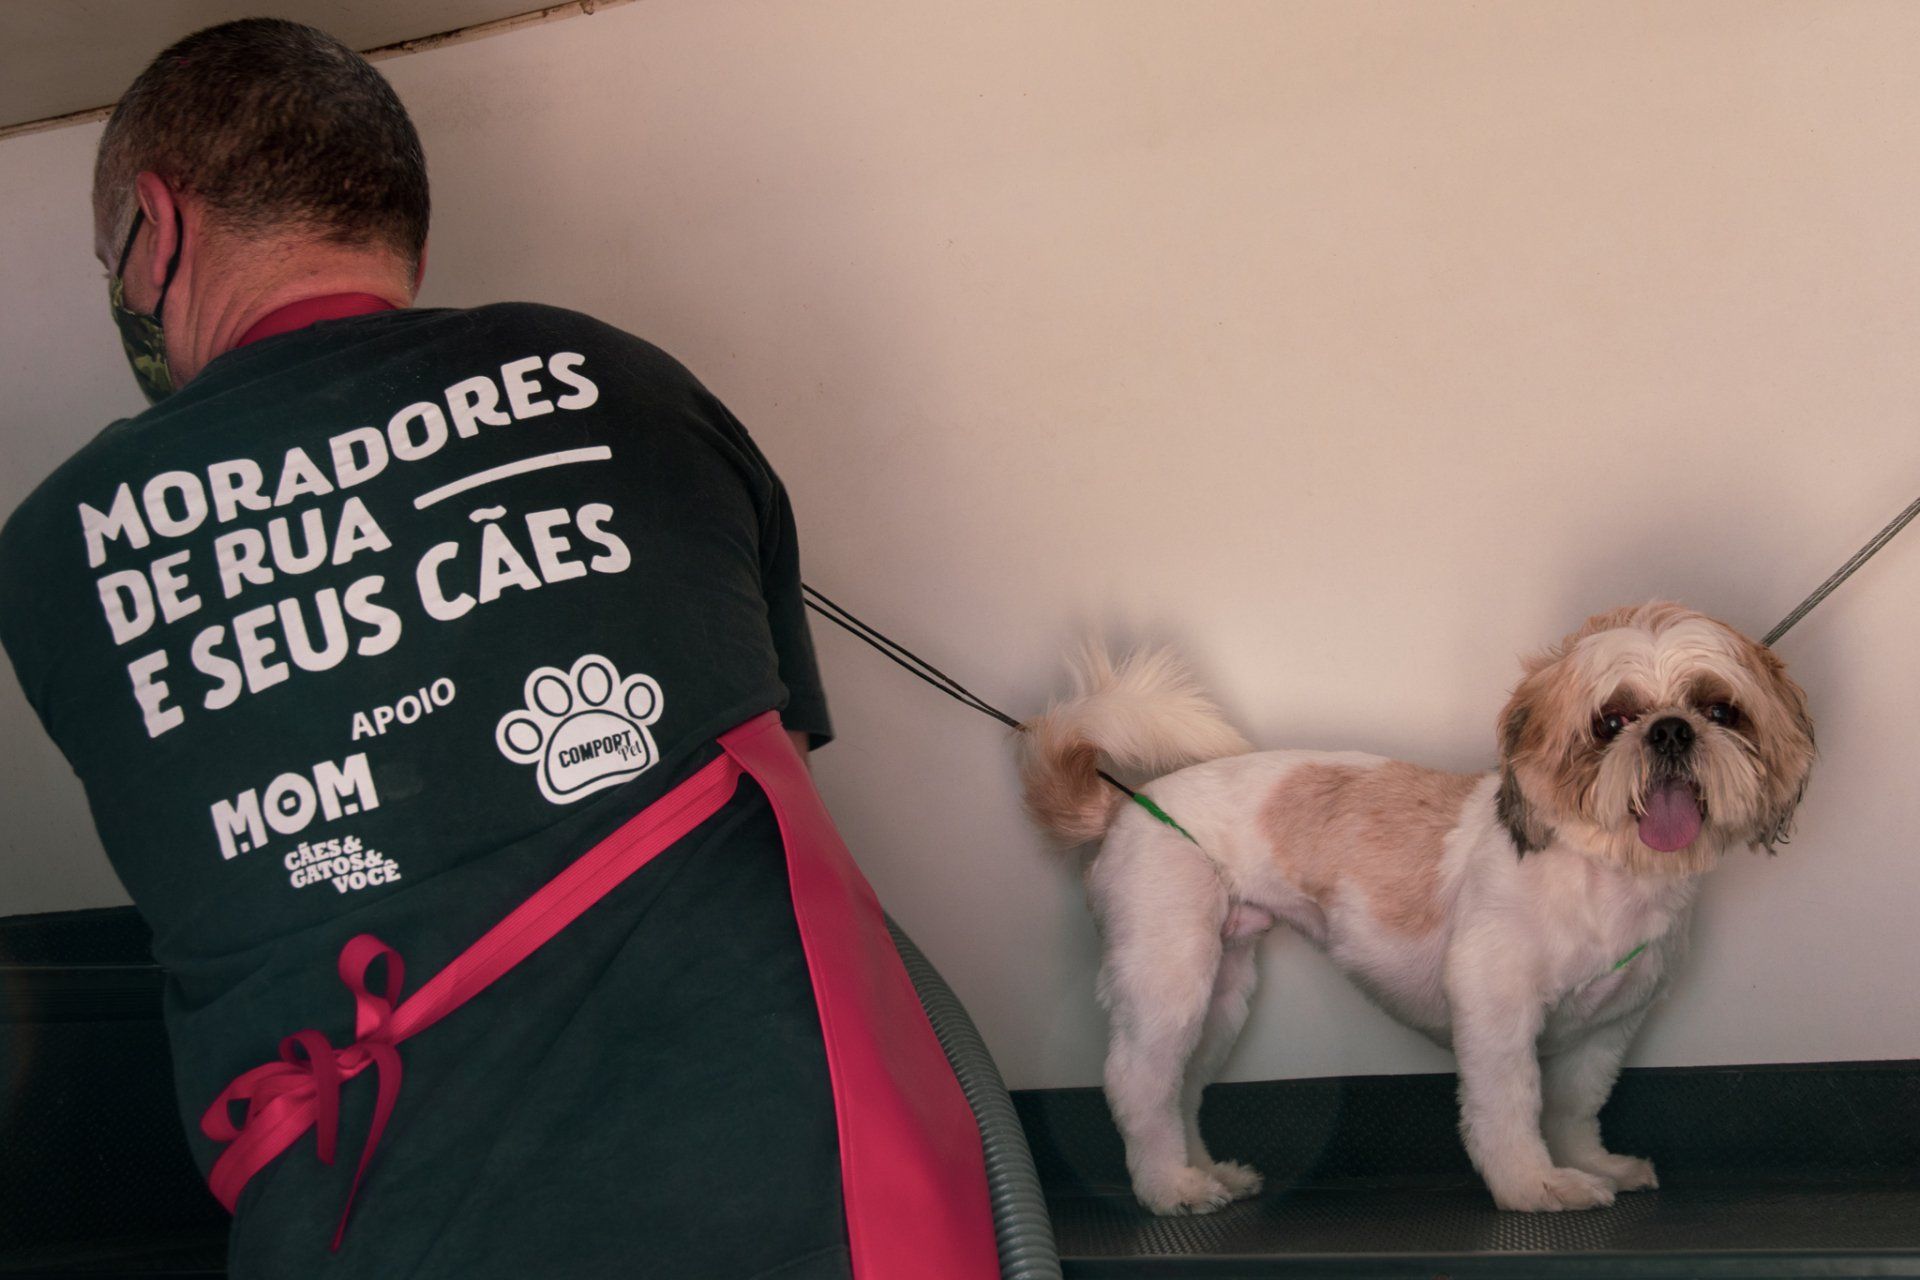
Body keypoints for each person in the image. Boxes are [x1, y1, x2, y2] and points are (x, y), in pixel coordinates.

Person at [0, 20, 997, 1279]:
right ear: (405, 237)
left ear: (159, 222)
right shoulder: (630, 389)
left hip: (375, 1232)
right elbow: (769, 763)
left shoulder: (56, 552)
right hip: (812, 1189)